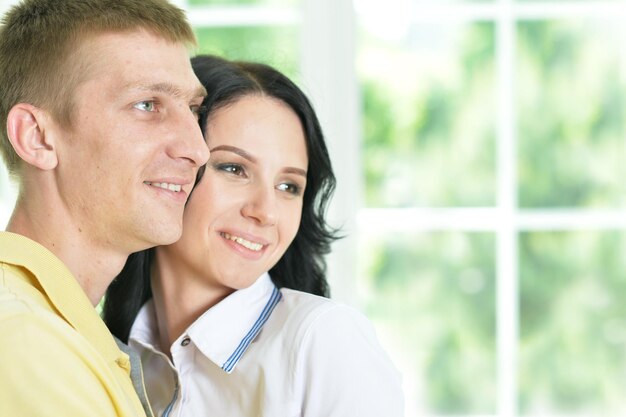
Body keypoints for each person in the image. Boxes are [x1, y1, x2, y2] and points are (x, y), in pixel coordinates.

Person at [103, 54, 404, 417]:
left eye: (288, 186)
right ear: (171, 173)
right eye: (234, 169)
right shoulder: (113, 355)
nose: (266, 211)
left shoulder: (322, 340)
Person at [0, 1, 209, 416]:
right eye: (148, 105)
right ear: (38, 137)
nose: (198, 150)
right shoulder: (26, 342)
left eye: (194, 109)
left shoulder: (62, 334)